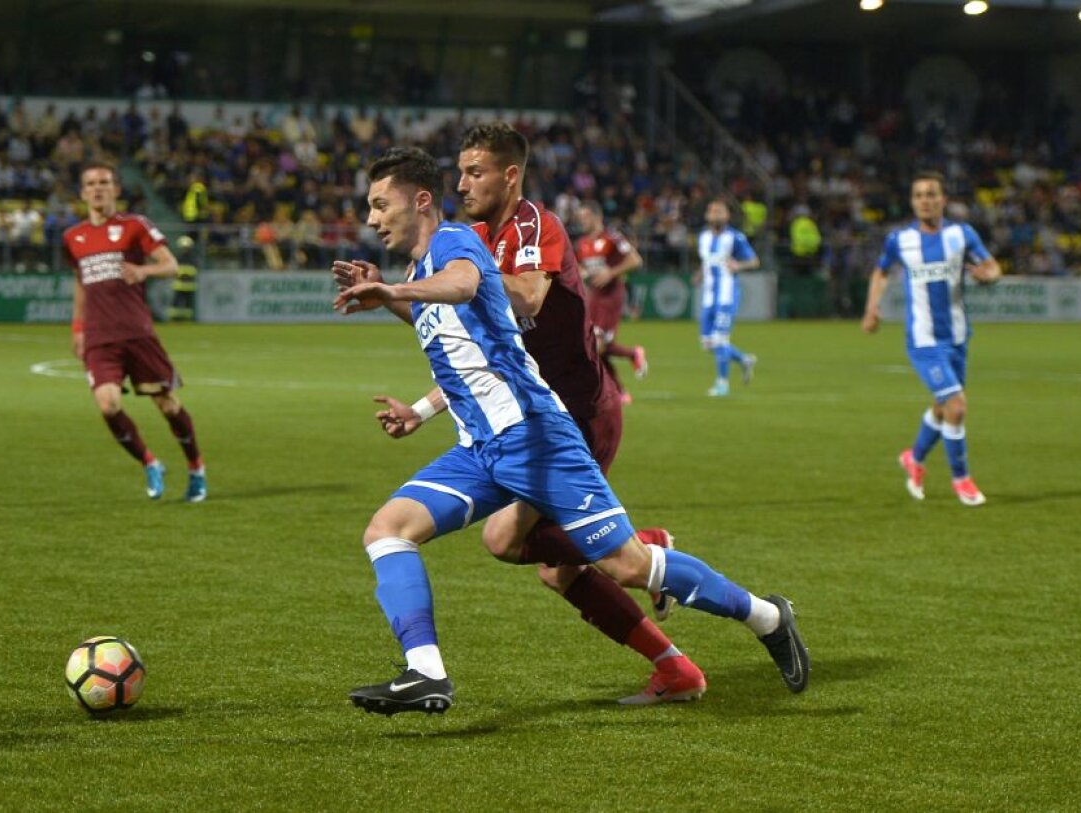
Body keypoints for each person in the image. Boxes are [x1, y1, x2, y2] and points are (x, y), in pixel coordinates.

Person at [333, 147, 809, 716]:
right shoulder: (417, 272)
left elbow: (464, 284)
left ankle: (768, 616)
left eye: (380, 205)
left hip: (535, 438)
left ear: (420, 201)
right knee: (387, 531)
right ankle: (425, 674)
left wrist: (394, 291)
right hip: (479, 450)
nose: (372, 219)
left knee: (630, 567)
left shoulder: (454, 242)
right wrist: (390, 296)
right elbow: (449, 317)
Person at [64, 162, 207, 503]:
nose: (98, 188)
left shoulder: (134, 226)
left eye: (105, 182)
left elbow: (170, 265)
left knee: (168, 405)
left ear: (116, 189)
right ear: (83, 193)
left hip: (136, 332)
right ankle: (150, 462)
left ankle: (196, 469)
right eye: (91, 183)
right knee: (108, 405)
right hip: (99, 336)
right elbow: (81, 284)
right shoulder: (73, 237)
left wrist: (143, 270)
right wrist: (77, 327)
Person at [862, 170, 1001, 506]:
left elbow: (992, 266)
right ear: (912, 202)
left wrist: (988, 276)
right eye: (919, 195)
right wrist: (872, 308)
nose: (925, 200)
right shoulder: (900, 240)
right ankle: (962, 480)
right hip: (923, 341)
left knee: (942, 407)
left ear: (943, 199)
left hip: (957, 337)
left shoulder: (962, 234)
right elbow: (880, 271)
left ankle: (915, 457)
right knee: (957, 406)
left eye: (931, 194)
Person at [574, 201, 648, 405]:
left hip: (611, 296)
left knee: (598, 345)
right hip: (593, 296)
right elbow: (580, 269)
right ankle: (622, 383)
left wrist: (611, 273)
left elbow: (635, 260)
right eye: (580, 218)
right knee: (593, 345)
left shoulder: (612, 238)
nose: (582, 221)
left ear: (598, 217)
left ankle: (622, 381)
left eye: (586, 216)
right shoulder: (581, 244)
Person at [695, 198, 761, 397]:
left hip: (726, 296)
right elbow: (707, 261)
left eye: (719, 211)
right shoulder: (703, 237)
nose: (715, 214)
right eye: (712, 211)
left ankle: (722, 384)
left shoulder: (735, 237)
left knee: (720, 340)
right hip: (708, 296)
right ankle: (743, 359)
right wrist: (699, 274)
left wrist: (738, 266)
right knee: (707, 343)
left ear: (727, 216)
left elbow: (754, 261)